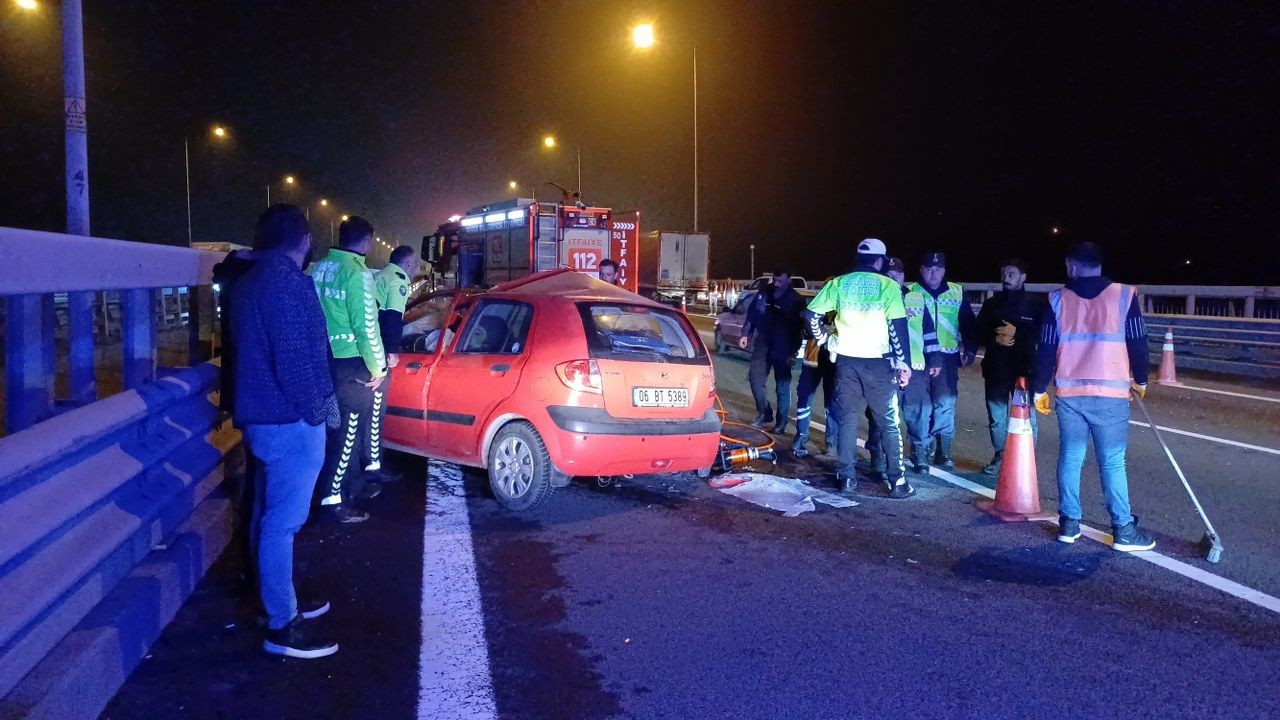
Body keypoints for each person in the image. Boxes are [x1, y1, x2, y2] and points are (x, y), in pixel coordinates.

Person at [230, 204, 338, 658]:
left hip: (264, 417)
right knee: (282, 523)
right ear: (302, 239)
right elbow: (295, 364)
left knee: (268, 517)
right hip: (288, 421)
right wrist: (320, 413)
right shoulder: (283, 285)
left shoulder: (252, 279)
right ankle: (282, 626)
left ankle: (276, 599)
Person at [1033, 242, 1155, 552]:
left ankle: (1069, 524)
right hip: (1111, 395)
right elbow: (1138, 342)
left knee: (1071, 458)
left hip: (1070, 393)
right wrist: (1140, 379)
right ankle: (1123, 529)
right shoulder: (1124, 296)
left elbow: (1045, 348)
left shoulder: (1057, 300)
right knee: (1112, 463)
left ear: (1071, 266)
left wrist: (1038, 388)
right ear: (1099, 265)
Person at [806, 239, 914, 498]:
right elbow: (897, 328)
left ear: (857, 257)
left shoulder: (839, 283)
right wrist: (904, 364)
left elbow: (811, 315)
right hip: (878, 364)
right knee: (888, 422)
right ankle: (897, 482)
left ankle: (846, 478)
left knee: (847, 420)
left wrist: (824, 339)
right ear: (880, 261)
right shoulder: (888, 286)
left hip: (846, 362)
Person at [310, 216, 387, 522]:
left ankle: (352, 485)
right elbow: (367, 326)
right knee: (348, 433)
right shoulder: (357, 273)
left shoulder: (320, 268)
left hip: (324, 360)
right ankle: (332, 500)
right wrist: (378, 367)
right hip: (353, 363)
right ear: (366, 242)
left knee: (335, 431)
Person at [903, 251, 977, 472]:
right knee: (919, 406)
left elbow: (967, 322)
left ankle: (944, 451)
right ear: (921, 270)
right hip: (918, 358)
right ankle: (921, 450)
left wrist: (971, 347)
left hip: (947, 357)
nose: (933, 273)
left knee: (944, 403)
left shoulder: (956, 292)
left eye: (938, 269)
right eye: (928, 268)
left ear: (944, 270)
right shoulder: (910, 293)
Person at [975, 258, 1042, 474]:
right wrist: (995, 339)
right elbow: (978, 332)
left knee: (1027, 417)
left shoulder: (1036, 305)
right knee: (997, 417)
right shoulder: (992, 304)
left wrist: (1019, 334)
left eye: (1011, 273)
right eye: (1004, 273)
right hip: (996, 369)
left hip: (1024, 371)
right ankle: (1001, 456)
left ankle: (1026, 460)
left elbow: (1043, 335)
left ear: (1023, 277)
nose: (1006, 277)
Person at [865, 257, 926, 477]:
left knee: (915, 412)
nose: (892, 278)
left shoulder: (915, 298)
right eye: (888, 275)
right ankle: (877, 456)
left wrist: (935, 359)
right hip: (882, 365)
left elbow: (927, 330)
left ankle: (919, 454)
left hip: (913, 366)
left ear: (903, 276)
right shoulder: (874, 300)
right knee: (879, 413)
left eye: (897, 274)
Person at [366, 245, 417, 483]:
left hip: (363, 349)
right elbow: (392, 319)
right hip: (377, 352)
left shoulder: (381, 276)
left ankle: (366, 463)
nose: (416, 269)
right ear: (406, 265)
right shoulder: (399, 281)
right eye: (415, 264)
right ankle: (374, 466)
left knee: (365, 415)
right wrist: (392, 351)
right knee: (376, 413)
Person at [740, 266, 805, 432]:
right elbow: (752, 314)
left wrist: (793, 351)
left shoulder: (796, 300)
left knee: (782, 386)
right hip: (763, 342)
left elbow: (799, 329)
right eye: (774, 280)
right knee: (755, 379)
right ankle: (764, 412)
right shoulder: (764, 292)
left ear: (788, 279)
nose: (776, 284)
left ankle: (781, 423)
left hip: (783, 346)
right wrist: (745, 333)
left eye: (780, 281)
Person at [791, 304, 837, 458]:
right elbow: (805, 325)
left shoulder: (843, 309)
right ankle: (801, 435)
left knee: (832, 404)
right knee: (804, 399)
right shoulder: (816, 308)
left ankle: (831, 442)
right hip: (812, 360)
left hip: (834, 362)